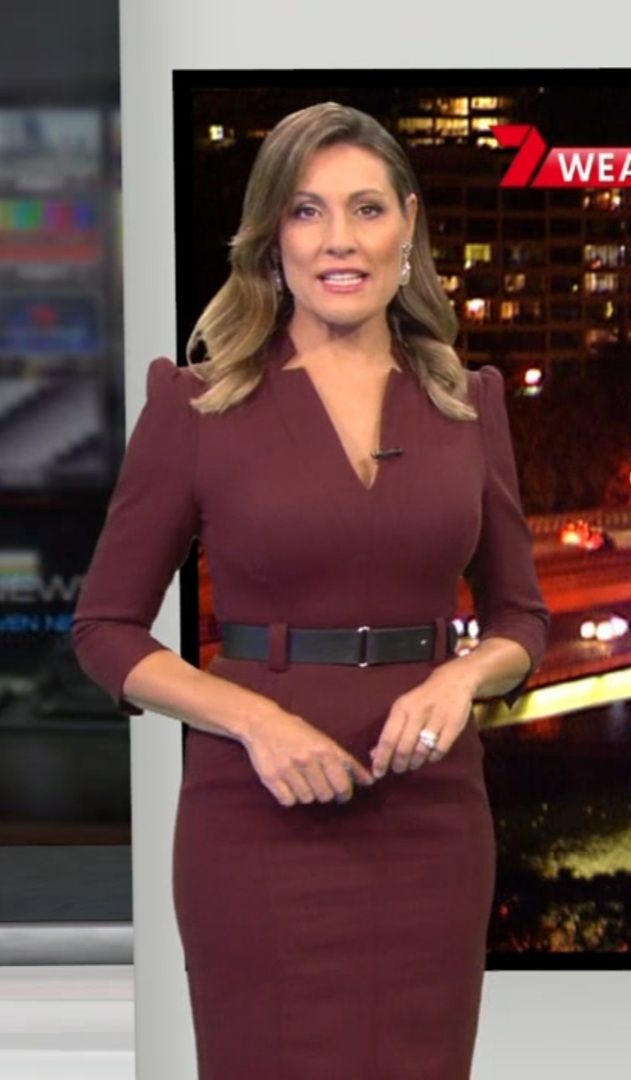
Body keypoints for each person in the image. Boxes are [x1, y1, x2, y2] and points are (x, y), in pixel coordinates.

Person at [72, 101, 550, 1080]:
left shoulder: (467, 403)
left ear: (406, 225)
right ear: (271, 236)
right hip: (258, 816)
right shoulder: (196, 406)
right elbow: (105, 629)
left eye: (366, 208)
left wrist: (461, 678)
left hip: (432, 820)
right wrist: (254, 721)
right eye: (305, 210)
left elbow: (519, 620)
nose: (339, 239)